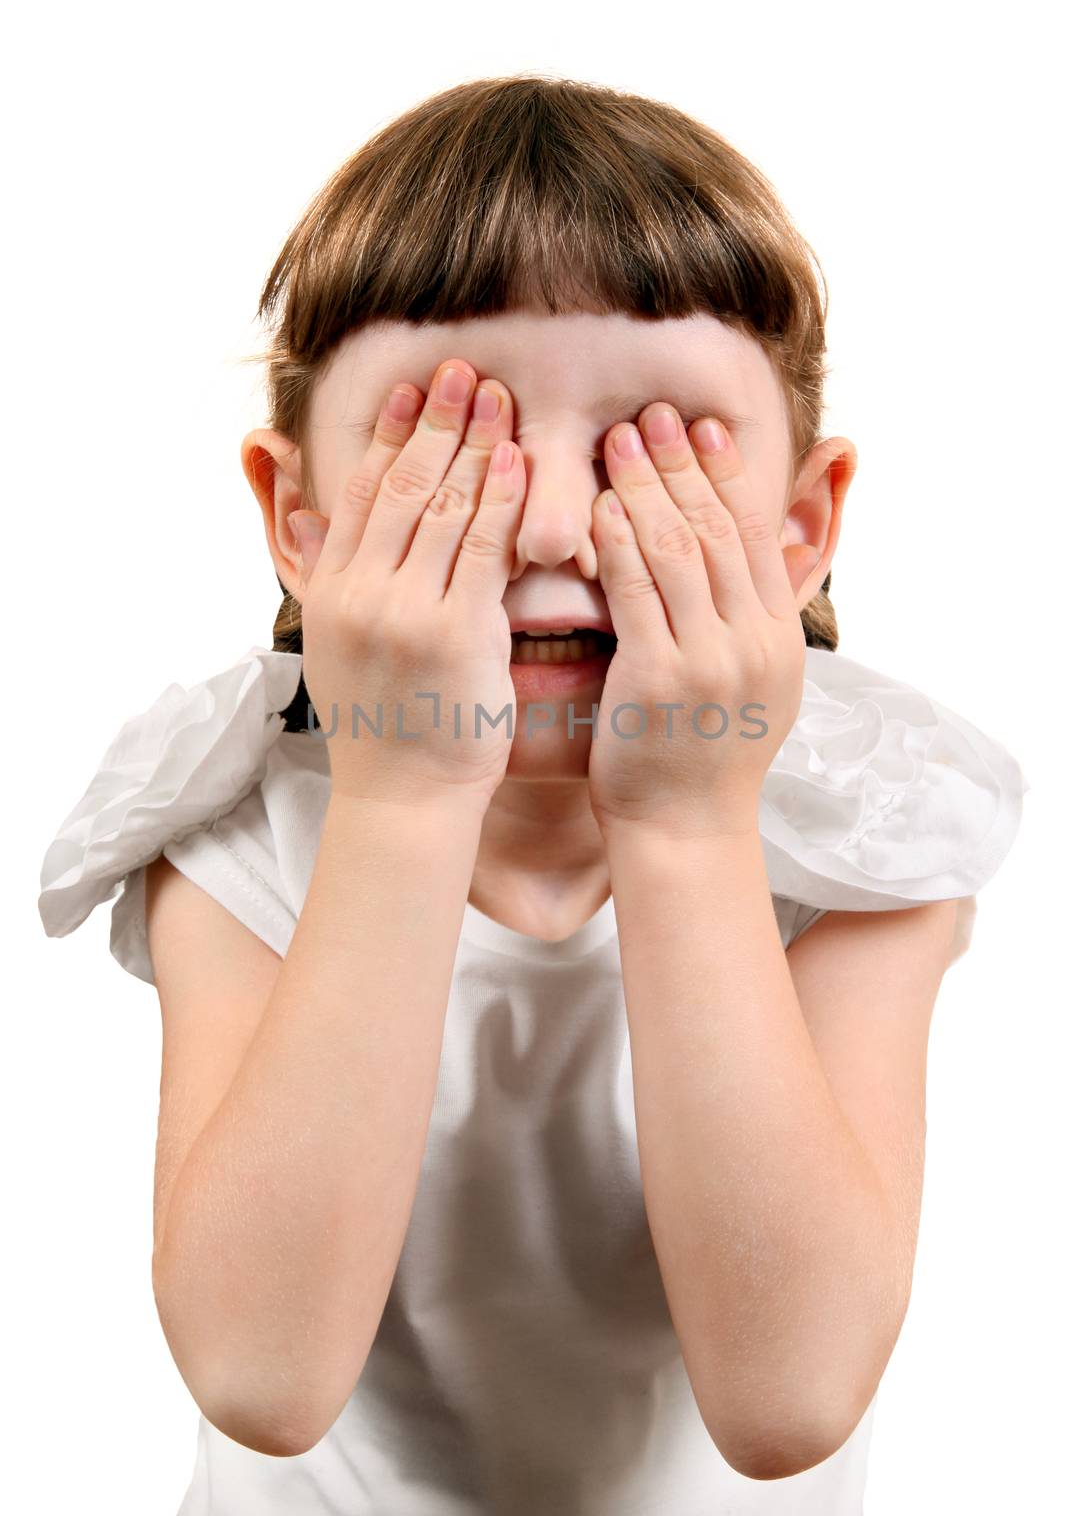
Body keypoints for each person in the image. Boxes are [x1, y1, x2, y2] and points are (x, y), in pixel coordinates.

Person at [38, 74, 1028, 1515]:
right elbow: (259, 1377)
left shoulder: (870, 837)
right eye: (460, 445)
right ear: (297, 522)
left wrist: (688, 824)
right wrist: (403, 798)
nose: (555, 526)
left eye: (656, 448)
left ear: (802, 525)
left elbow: (791, 1400)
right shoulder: (242, 832)